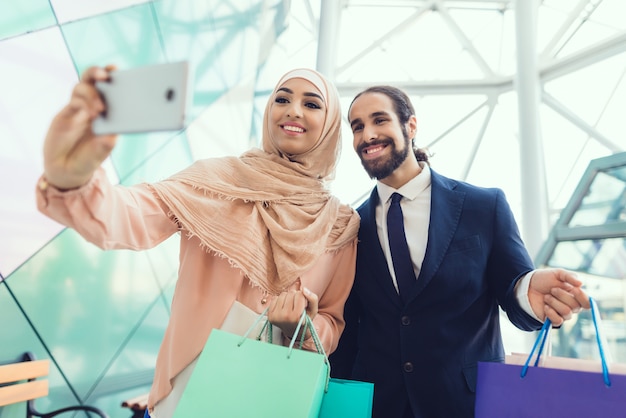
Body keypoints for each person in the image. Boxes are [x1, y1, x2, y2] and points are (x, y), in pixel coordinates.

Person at [36, 66, 360, 417]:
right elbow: (130, 217)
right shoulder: (216, 180)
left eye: (312, 104)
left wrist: (302, 328)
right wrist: (73, 179)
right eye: (282, 99)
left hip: (270, 397)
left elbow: (332, 321)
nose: (293, 110)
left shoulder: (339, 224)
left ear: (330, 125)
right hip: (186, 390)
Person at [328, 85, 590, 418]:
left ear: (411, 126)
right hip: (379, 406)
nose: (368, 134)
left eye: (380, 120)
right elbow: (347, 329)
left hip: (466, 403)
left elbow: (514, 286)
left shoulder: (483, 206)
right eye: (357, 126)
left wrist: (527, 292)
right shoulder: (351, 226)